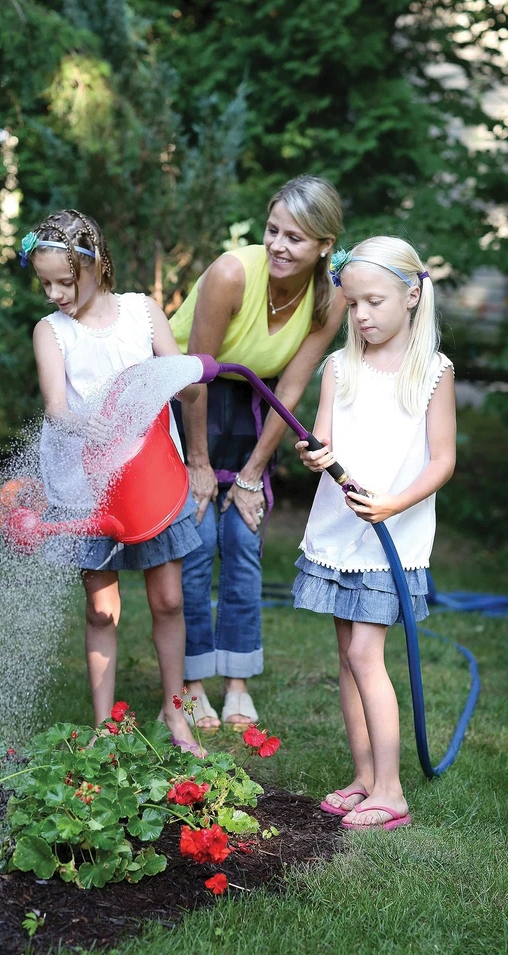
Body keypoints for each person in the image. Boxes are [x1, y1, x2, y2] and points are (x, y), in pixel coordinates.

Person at [20, 209, 204, 755]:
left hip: (152, 481)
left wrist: (189, 379)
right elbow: (58, 409)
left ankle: (177, 718)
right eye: (45, 284)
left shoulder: (142, 313)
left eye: (64, 281)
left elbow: (181, 379)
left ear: (95, 265)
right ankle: (104, 729)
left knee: (168, 600)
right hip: (88, 489)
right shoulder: (52, 332)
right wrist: (92, 424)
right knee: (102, 609)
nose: (54, 294)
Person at [171, 175, 345, 730]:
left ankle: (238, 681)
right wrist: (198, 464)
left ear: (324, 245)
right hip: (188, 400)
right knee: (197, 540)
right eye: (273, 230)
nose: (277, 245)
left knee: (244, 541)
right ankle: (191, 684)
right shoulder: (231, 274)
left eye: (295, 237)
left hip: (254, 405)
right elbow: (194, 375)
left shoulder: (331, 297)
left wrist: (250, 476)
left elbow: (288, 389)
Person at [293, 236, 456, 829]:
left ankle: (392, 791)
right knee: (348, 657)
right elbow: (323, 438)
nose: (361, 315)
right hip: (340, 536)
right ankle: (365, 777)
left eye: (374, 302)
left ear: (411, 295)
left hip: (392, 542)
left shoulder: (433, 372)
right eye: (353, 303)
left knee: (366, 653)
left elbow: (443, 460)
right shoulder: (340, 366)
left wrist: (393, 504)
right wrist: (314, 454)